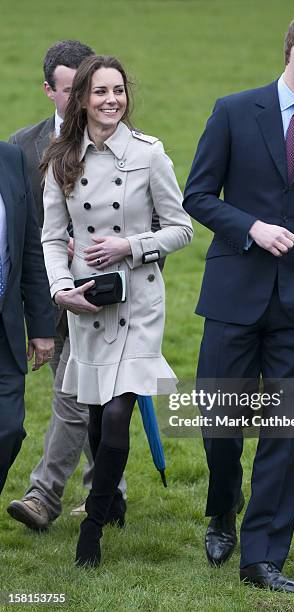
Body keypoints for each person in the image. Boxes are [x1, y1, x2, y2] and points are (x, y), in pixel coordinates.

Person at [183, 8, 294, 592]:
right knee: (219, 421)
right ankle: (221, 506)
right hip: (234, 291)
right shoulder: (235, 111)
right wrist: (251, 228)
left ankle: (261, 556)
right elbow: (198, 195)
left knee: (286, 431)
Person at [41, 54, 193, 567]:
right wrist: (63, 289)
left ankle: (92, 530)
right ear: (82, 98)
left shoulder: (150, 154)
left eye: (119, 91)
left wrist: (131, 245)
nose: (112, 100)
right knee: (97, 421)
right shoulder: (62, 157)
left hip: (139, 302)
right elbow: (48, 237)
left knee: (119, 412)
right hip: (87, 304)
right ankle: (114, 496)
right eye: (101, 91)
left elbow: (181, 227)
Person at [6, 40, 127, 531]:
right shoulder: (21, 145)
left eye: (89, 86)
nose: (83, 99)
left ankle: (48, 494)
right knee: (85, 394)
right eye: (71, 89)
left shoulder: (128, 146)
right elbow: (14, 223)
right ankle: (108, 493)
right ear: (49, 91)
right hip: (44, 292)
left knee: (79, 394)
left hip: (102, 293)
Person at [0, 141, 55, 497]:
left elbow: (30, 249)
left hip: (5, 326)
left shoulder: (12, 159)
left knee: (8, 428)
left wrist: (40, 327)